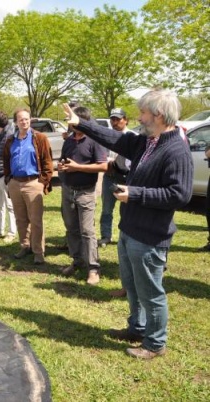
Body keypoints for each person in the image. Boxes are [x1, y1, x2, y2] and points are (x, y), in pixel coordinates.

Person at [62, 89, 193, 360]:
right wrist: (81, 123)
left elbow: (180, 195)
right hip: (130, 230)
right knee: (132, 286)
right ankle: (137, 328)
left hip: (150, 236)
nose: (139, 117)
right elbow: (115, 139)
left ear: (158, 115)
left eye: (143, 112)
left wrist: (136, 194)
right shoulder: (147, 141)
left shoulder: (175, 149)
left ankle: (155, 343)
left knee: (150, 292)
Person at [58, 107, 108, 285]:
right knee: (71, 228)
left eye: (71, 120)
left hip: (86, 192)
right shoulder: (69, 140)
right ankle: (77, 261)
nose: (69, 123)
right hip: (68, 190)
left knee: (87, 231)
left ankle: (93, 268)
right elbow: (64, 160)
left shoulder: (94, 140)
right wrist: (61, 167)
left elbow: (103, 166)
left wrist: (77, 167)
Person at [3, 109, 54, 265]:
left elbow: (47, 161)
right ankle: (25, 246)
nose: (24, 122)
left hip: (33, 183)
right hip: (15, 183)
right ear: (16, 122)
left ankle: (38, 252)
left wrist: (42, 181)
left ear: (30, 120)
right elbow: (6, 160)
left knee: (36, 220)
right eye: (20, 120)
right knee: (20, 219)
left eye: (26, 119)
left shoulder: (40, 138)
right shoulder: (11, 140)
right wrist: (8, 179)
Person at [99, 108, 137, 247]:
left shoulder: (133, 137)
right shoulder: (107, 136)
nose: (115, 122)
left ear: (125, 120)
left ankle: (126, 237)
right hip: (110, 176)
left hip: (127, 178)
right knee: (107, 209)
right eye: (112, 119)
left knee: (127, 210)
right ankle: (105, 236)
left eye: (118, 119)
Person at [0, 110, 16, 243]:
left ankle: (12, 232)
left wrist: (8, 175)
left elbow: (10, 157)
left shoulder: (10, 136)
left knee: (10, 205)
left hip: (6, 175)